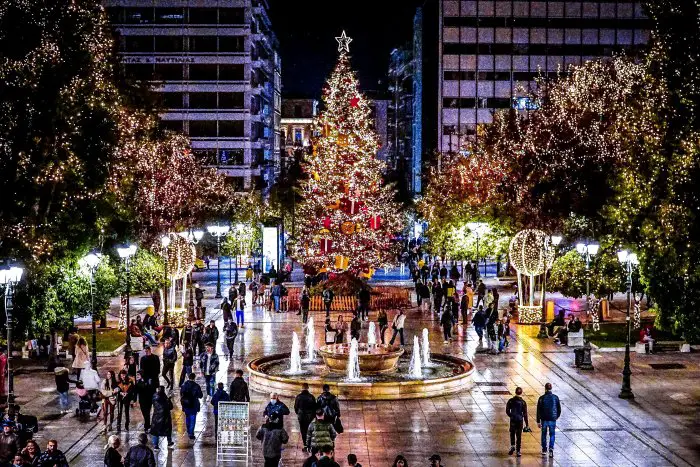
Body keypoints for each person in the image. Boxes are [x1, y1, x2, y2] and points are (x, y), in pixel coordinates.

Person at [536, 382, 562, 458]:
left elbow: (538, 410)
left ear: (545, 388)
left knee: (543, 434)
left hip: (544, 419)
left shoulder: (541, 398)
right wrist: (556, 416)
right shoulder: (555, 397)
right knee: (552, 434)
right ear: (551, 388)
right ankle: (551, 449)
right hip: (552, 419)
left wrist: (538, 421)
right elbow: (559, 409)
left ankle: (544, 449)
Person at [506, 387, 529, 457]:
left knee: (512, 433)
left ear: (515, 392)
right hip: (520, 420)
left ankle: (512, 445)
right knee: (519, 435)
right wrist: (527, 424)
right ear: (521, 393)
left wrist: (511, 415)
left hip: (513, 419)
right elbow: (525, 414)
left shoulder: (510, 401)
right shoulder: (523, 402)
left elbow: (507, 411)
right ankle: (518, 451)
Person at [180, 373, 203, 440]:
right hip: (194, 405)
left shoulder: (184, 385)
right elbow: (200, 395)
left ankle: (188, 429)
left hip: (186, 404)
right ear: (194, 378)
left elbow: (181, 394)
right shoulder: (196, 386)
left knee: (187, 417)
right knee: (193, 419)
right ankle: (191, 433)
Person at [294, 383, 317, 453]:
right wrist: (313, 416)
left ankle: (305, 445)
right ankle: (310, 444)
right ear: (308, 388)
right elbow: (315, 407)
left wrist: (298, 413)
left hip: (301, 417)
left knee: (303, 431)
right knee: (310, 430)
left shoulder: (298, 397)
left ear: (302, 388)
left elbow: (296, 407)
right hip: (309, 417)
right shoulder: (311, 397)